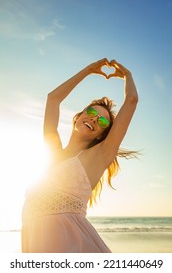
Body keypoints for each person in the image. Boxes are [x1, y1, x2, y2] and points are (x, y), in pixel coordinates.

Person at [22, 58, 138, 253]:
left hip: (71, 246)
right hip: (34, 243)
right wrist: (88, 70)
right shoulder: (52, 151)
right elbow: (53, 99)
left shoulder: (99, 156)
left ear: (102, 134)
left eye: (102, 121)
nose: (94, 118)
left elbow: (132, 101)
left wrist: (128, 75)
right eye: (91, 112)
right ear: (78, 116)